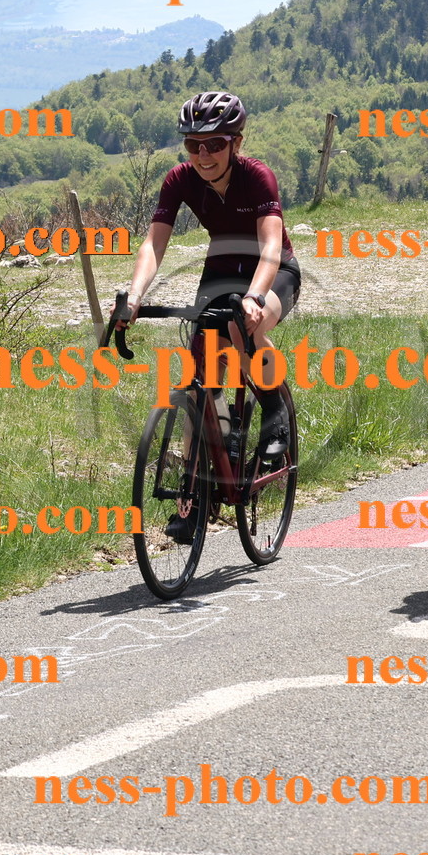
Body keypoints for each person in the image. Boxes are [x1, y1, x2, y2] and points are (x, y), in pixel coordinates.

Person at [123, 91, 303, 540]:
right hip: (221, 269)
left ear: (236, 143)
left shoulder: (258, 177)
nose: (203, 154)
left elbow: (270, 246)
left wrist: (255, 297)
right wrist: (133, 296)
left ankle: (274, 407)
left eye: (215, 143)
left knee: (245, 324)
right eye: (193, 144)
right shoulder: (180, 180)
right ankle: (195, 497)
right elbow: (154, 243)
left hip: (273, 269)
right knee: (200, 378)